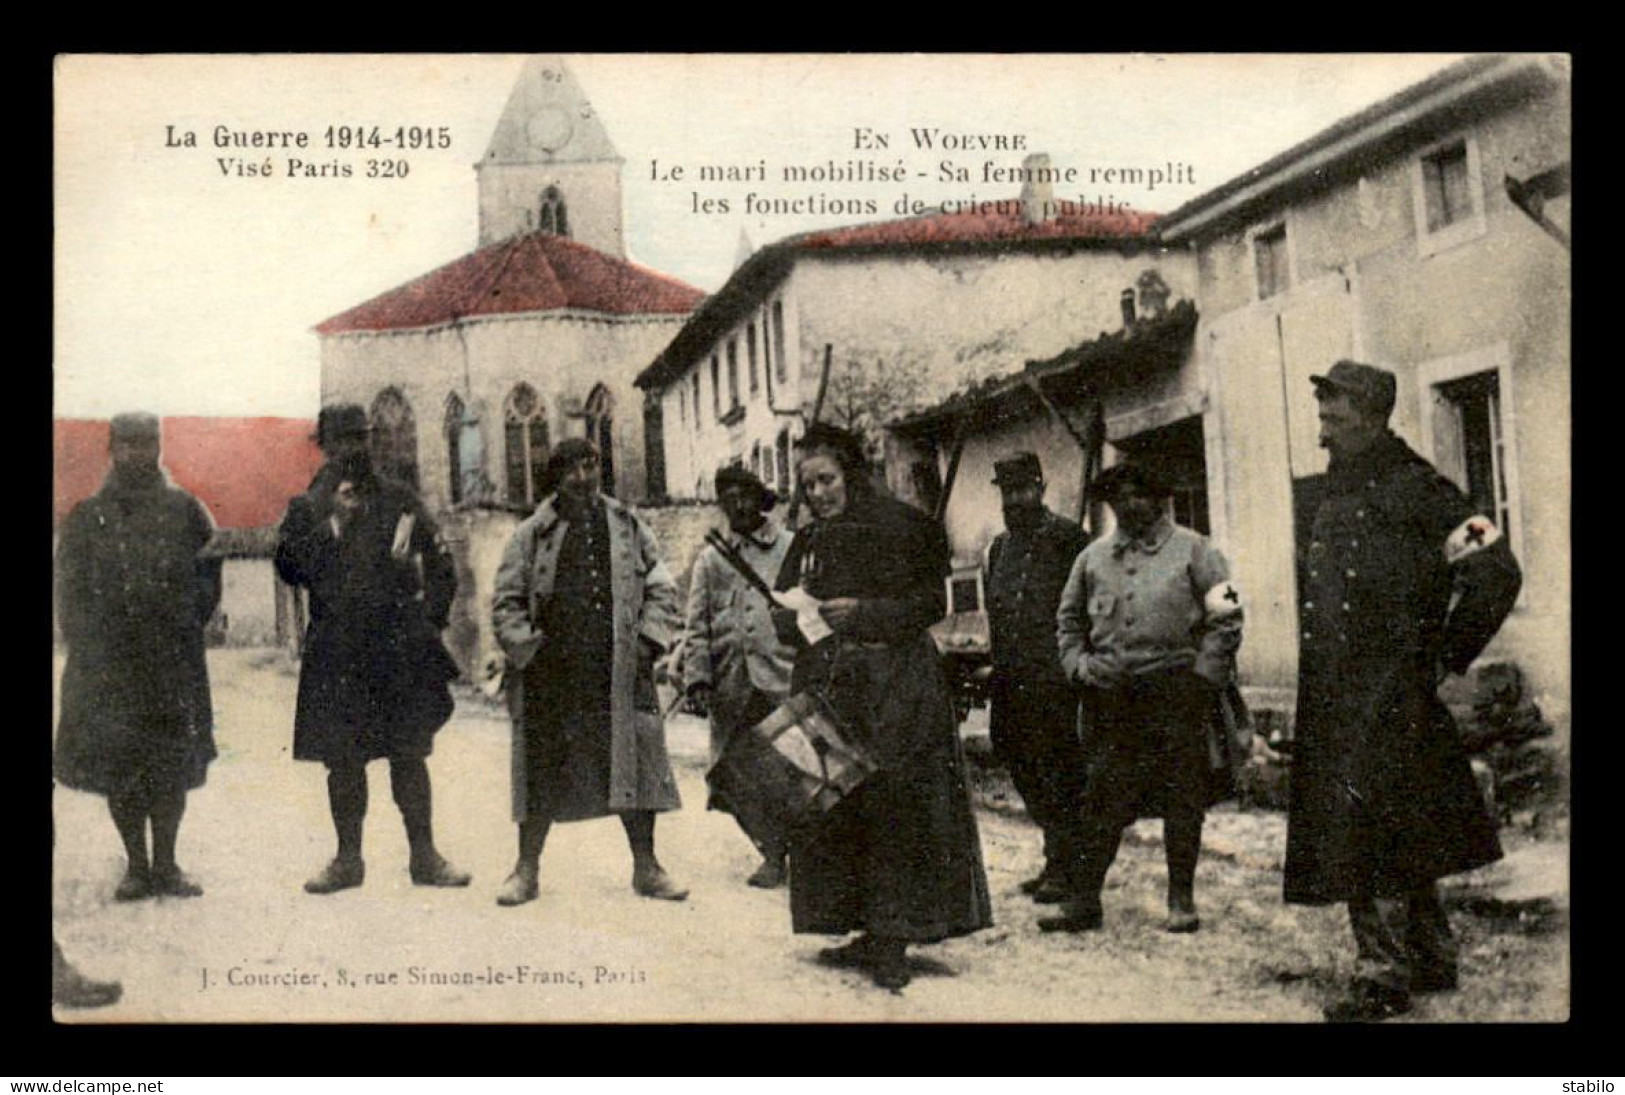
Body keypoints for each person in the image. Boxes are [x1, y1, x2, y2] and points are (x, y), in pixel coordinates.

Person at [1288, 360, 1521, 1022]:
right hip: (1338, 695)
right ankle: (1428, 955)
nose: (1323, 432)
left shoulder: (1422, 490)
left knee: (1372, 826)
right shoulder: (1332, 492)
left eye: (1334, 419)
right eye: (1322, 417)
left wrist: (1443, 655)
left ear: (1371, 417)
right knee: (1396, 819)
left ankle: (1381, 974)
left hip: (1391, 694)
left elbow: (1494, 569)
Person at [772, 423, 991, 991]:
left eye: (827, 480)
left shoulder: (903, 526)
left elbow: (932, 601)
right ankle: (860, 924)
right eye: (808, 485)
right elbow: (781, 609)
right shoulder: (808, 541)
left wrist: (865, 613)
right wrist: (795, 617)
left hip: (898, 685)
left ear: (852, 474)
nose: (818, 494)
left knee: (897, 803)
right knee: (840, 801)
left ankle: (894, 934)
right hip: (833, 685)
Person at [1041, 459, 1243, 935]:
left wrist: (1203, 677)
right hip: (1112, 699)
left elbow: (1228, 618)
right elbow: (1068, 624)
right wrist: (1079, 666)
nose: (1128, 505)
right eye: (1118, 497)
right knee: (1101, 796)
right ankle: (1085, 900)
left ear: (1158, 499)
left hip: (1176, 694)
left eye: (1138, 494)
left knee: (1182, 796)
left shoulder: (1197, 550)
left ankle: (1181, 898)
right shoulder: (1091, 559)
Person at [275, 404, 469, 894]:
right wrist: (332, 527)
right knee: (343, 760)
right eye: (341, 441)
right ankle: (347, 860)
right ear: (324, 446)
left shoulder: (400, 499)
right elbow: (288, 568)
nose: (352, 450)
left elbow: (442, 563)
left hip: (397, 647)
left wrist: (430, 621)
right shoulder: (308, 506)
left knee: (409, 754)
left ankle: (425, 857)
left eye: (359, 439)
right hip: (338, 651)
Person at [491, 438, 688, 906]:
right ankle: (526, 869)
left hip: (616, 667)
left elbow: (661, 587)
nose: (583, 478)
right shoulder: (530, 534)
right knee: (542, 768)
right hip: (551, 672)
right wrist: (529, 653)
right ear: (555, 479)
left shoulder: (627, 525)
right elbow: (506, 603)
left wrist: (647, 641)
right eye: (572, 470)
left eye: (591, 467)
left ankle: (647, 867)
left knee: (633, 764)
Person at [54, 411, 220, 901]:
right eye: (127, 445)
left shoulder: (186, 510)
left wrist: (189, 621)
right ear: (112, 449)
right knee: (122, 765)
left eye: (146, 444)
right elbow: (68, 590)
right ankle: (136, 866)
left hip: (171, 662)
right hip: (111, 668)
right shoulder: (87, 517)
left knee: (170, 764)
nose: (137, 454)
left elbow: (210, 573)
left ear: (158, 449)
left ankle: (167, 864)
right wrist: (87, 644)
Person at [681, 466, 798, 888]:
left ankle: (786, 852)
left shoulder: (790, 547)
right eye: (727, 500)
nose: (737, 507)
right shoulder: (712, 558)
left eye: (744, 497)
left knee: (789, 772)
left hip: (782, 678)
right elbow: (697, 623)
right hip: (732, 684)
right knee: (734, 776)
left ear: (759, 498)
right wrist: (697, 678)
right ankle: (769, 847)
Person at [983, 451, 1091, 903]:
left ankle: (1069, 868)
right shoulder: (999, 549)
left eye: (1024, 490)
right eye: (1008, 493)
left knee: (1061, 773)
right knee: (1022, 768)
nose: (1015, 501)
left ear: (1041, 487)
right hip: (1011, 683)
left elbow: (1090, 608)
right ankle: (1057, 858)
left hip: (1056, 685)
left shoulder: (1072, 540)